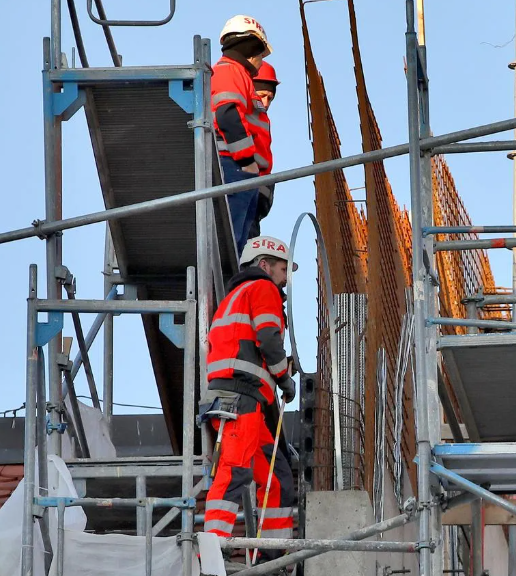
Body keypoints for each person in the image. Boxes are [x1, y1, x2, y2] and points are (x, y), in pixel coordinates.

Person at [202, 236, 297, 562]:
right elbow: (268, 338)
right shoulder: (262, 289)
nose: (285, 279)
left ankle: (274, 558)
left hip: (242, 400)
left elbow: (246, 347)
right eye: (283, 269)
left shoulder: (233, 298)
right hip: (240, 401)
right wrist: (283, 376)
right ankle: (209, 557)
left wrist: (276, 372)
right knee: (233, 473)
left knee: (277, 477)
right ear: (264, 264)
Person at [212, 15, 273, 256]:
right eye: (261, 54)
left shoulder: (238, 76)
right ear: (252, 48)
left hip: (243, 172)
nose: (261, 61)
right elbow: (228, 115)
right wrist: (247, 161)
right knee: (231, 244)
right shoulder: (230, 72)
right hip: (236, 167)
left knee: (239, 247)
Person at [248, 61, 280, 240]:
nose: (266, 103)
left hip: (258, 194)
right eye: (262, 95)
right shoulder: (241, 113)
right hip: (244, 186)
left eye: (271, 98)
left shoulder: (263, 119)